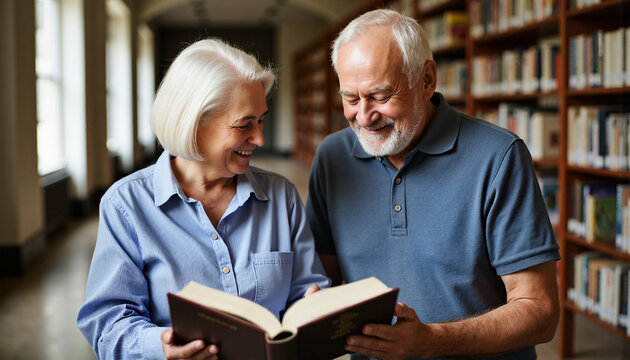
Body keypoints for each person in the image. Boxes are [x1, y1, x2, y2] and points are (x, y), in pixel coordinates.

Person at [305, 9, 560, 360]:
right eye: (350, 98)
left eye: (380, 96)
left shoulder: (499, 157)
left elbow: (540, 314)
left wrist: (431, 341)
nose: (363, 117)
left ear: (426, 80)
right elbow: (325, 277)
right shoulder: (332, 158)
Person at [77, 38, 330, 360]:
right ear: (193, 123)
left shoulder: (282, 197)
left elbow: (307, 290)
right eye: (244, 125)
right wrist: (161, 347)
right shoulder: (126, 205)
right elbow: (107, 324)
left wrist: (314, 308)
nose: (260, 138)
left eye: (261, 119)